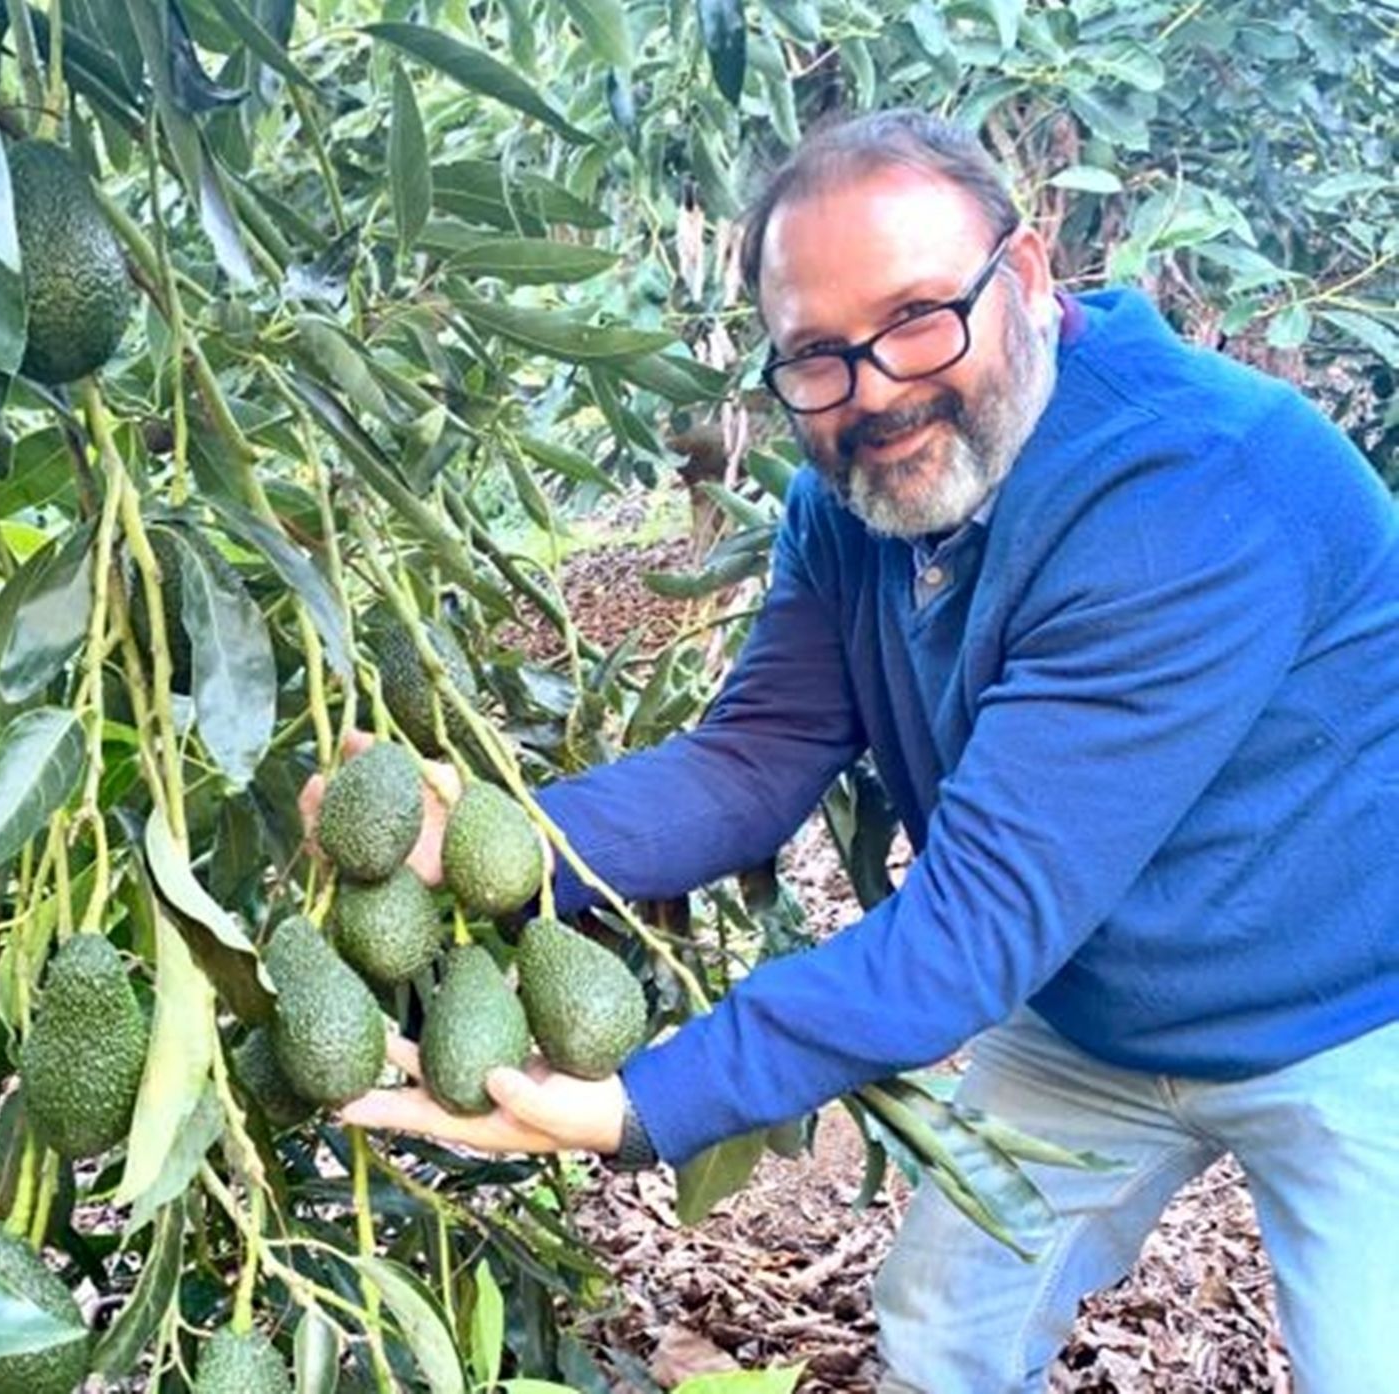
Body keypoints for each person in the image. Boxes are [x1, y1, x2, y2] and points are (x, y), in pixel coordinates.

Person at [320, 110, 1399, 1393]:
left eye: (917, 319)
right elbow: (751, 763)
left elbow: (977, 918)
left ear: (1031, 278)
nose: (874, 389)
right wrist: (489, 834)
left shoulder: (1197, 491)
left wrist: (649, 1102)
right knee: (943, 1329)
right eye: (817, 356)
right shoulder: (848, 512)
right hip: (1093, 1020)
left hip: (1352, 1013)